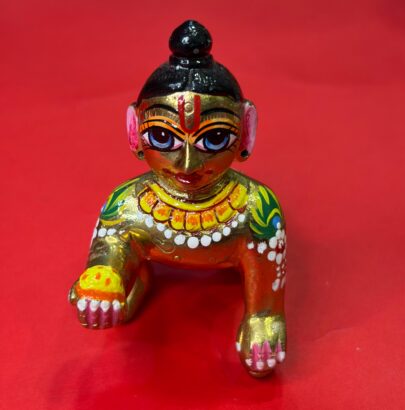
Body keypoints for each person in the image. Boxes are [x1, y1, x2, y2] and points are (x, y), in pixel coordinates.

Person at [69, 20, 287, 377]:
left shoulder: (256, 208)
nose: (187, 164)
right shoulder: (128, 204)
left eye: (214, 139)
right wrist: (104, 276)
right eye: (162, 137)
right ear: (134, 131)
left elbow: (266, 272)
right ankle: (137, 283)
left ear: (246, 132)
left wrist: (264, 316)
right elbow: (110, 247)